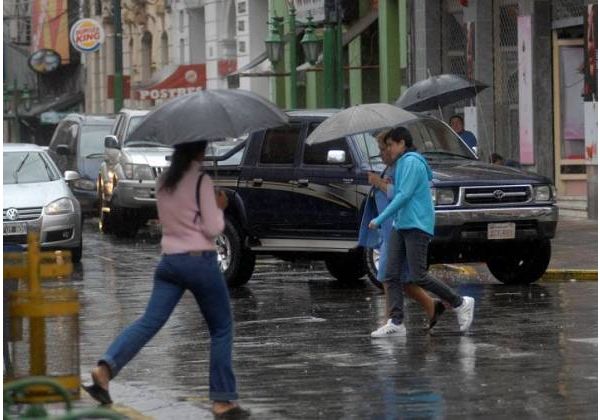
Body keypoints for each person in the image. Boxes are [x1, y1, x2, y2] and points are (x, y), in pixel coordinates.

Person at [82, 140, 249, 418]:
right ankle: (223, 401)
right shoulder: (201, 182)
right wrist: (220, 205)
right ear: (199, 151)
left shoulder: (163, 182)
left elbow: (166, 219)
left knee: (148, 322)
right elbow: (213, 228)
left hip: (169, 262)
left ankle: (104, 370)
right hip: (199, 262)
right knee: (221, 328)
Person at [368, 127, 475, 338]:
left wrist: (380, 219)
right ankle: (396, 322)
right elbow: (399, 192)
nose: (388, 149)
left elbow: (403, 195)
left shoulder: (411, 162)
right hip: (402, 225)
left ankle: (460, 302)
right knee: (390, 274)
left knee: (418, 275)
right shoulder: (402, 164)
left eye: (390, 145)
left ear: (401, 143)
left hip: (416, 226)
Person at [364, 130, 445, 330]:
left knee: (397, 275)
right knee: (397, 276)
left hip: (399, 224)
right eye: (382, 149)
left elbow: (400, 195)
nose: (383, 152)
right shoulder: (393, 167)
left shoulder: (404, 165)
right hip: (392, 226)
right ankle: (401, 317)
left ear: (399, 144)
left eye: (385, 148)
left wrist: (379, 183)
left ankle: (453, 302)